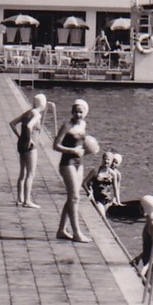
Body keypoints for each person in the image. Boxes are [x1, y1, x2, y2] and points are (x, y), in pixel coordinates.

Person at [53, 100, 93, 243]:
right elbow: (55, 145)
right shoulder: (67, 126)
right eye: (75, 111)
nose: (78, 114)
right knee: (74, 197)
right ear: (72, 112)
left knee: (73, 197)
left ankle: (62, 230)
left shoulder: (83, 124)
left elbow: (82, 144)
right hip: (67, 163)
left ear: (85, 113)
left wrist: (91, 148)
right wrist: (72, 150)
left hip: (79, 163)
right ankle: (77, 233)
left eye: (81, 112)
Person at [8, 92, 48, 208]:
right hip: (30, 146)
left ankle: (19, 199)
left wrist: (20, 136)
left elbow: (12, 123)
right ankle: (27, 200)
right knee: (30, 173)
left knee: (22, 172)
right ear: (43, 104)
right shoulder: (37, 115)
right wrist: (30, 139)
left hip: (21, 143)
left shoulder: (28, 112)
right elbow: (30, 126)